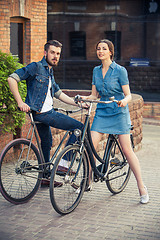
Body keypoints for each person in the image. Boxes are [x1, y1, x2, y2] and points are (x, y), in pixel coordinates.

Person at [81, 39, 149, 204]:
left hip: (119, 112)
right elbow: (94, 95)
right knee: (90, 146)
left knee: (127, 150)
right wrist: (83, 99)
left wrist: (125, 101)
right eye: (98, 49)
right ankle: (87, 180)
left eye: (104, 49)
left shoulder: (120, 70)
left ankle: (142, 187)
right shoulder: (96, 71)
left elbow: (128, 95)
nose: (100, 51)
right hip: (102, 112)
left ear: (110, 52)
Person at [7, 40, 84, 186]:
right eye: (53, 53)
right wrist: (20, 102)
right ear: (45, 53)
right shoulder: (36, 67)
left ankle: (45, 178)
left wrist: (79, 103)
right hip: (44, 113)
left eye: (58, 54)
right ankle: (64, 163)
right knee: (79, 127)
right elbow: (12, 78)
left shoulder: (49, 71)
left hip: (43, 114)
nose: (55, 56)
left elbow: (59, 94)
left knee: (47, 142)